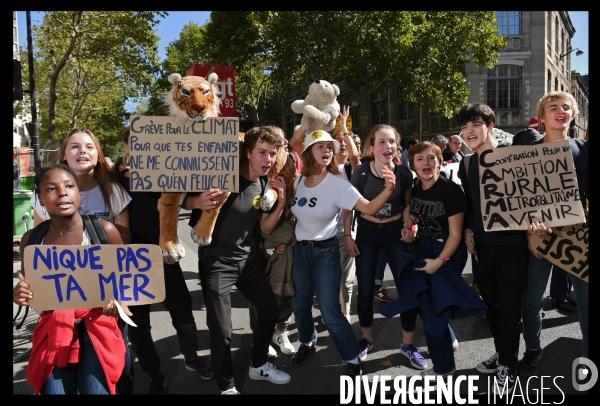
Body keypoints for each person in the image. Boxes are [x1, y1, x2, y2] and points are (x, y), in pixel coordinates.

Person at [182, 126, 291, 395]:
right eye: (262, 153)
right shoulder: (221, 174)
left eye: (272, 154)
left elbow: (265, 228)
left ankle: (258, 364)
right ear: (247, 153)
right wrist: (198, 202)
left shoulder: (265, 183)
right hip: (216, 261)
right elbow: (179, 200)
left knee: (269, 309)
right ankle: (227, 386)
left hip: (247, 259)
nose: (268, 159)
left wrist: (281, 202)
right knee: (222, 330)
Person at [29, 127, 134, 394]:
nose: (82, 151)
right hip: (59, 308)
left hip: (101, 304)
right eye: (74, 146)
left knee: (115, 365)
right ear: (64, 153)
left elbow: (123, 245)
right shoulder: (45, 197)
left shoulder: (113, 191)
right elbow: (39, 249)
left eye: (88, 146)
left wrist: (92, 250)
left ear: (98, 155)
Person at [289, 128, 396, 377]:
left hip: (325, 253)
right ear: (307, 152)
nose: (327, 151)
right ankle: (307, 342)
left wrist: (389, 189)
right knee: (301, 305)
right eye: (320, 147)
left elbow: (368, 207)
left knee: (331, 312)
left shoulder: (338, 184)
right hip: (299, 253)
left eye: (329, 147)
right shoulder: (298, 181)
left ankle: (351, 358)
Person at [117, 128, 214, 394]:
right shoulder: (114, 181)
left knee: (183, 313)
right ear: (126, 147)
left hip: (164, 259)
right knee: (138, 327)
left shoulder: (167, 173)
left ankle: (193, 359)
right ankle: (155, 374)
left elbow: (185, 201)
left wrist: (199, 201)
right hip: (131, 263)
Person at [456, 102, 529, 396]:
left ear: (489, 125)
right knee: (491, 307)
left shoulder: (513, 156)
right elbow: (471, 204)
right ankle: (502, 354)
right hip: (483, 249)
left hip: (513, 246)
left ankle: (509, 365)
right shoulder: (466, 163)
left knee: (510, 310)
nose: (468, 131)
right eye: (464, 127)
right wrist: (470, 227)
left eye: (474, 124)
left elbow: (532, 200)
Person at [520, 91, 589, 378]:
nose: (560, 111)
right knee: (533, 299)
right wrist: (528, 232)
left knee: (586, 304)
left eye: (566, 107)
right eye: (553, 107)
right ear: (543, 115)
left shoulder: (584, 150)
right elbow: (520, 197)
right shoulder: (528, 152)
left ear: (572, 114)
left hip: (579, 237)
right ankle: (533, 350)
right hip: (541, 237)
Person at [348, 125, 424, 368]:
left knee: (406, 288)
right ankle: (366, 340)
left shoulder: (403, 173)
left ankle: (408, 344)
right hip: (367, 234)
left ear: (397, 147)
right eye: (381, 142)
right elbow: (348, 207)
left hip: (394, 233)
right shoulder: (360, 172)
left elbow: (406, 204)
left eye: (391, 142)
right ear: (372, 147)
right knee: (366, 291)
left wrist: (406, 225)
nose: (387, 146)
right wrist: (348, 236)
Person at [405, 141, 469, 377]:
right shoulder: (416, 187)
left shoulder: (450, 190)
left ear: (440, 162)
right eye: (420, 159)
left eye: (432, 158)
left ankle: (444, 368)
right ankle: (449, 339)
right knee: (427, 305)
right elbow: (416, 211)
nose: (426, 163)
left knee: (434, 310)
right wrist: (411, 218)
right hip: (424, 246)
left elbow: (455, 234)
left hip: (447, 251)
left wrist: (439, 261)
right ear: (413, 164)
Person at [333, 106, 360, 322]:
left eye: (345, 141)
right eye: (338, 141)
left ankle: (345, 309)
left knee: (347, 276)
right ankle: (331, 308)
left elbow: (354, 155)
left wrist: (344, 128)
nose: (342, 144)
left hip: (348, 231)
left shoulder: (353, 169)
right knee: (328, 276)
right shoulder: (323, 168)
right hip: (324, 233)